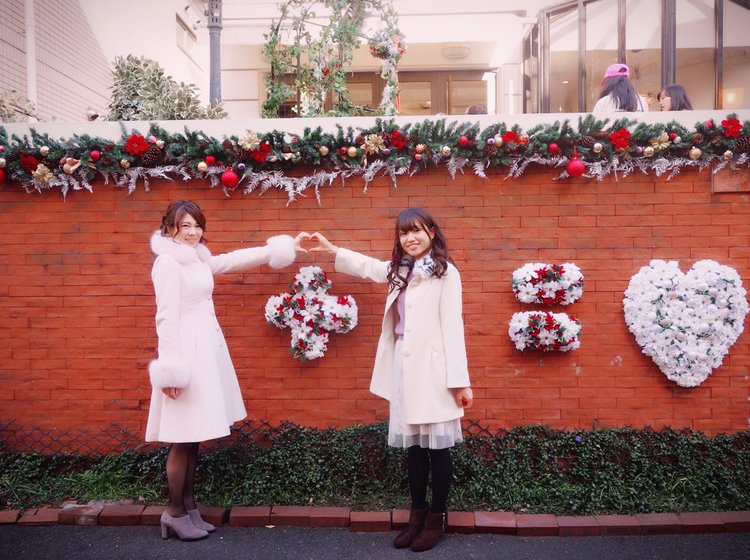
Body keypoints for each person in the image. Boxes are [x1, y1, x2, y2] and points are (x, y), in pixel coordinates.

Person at [310, 208, 473, 552]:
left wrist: (460, 381)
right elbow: (368, 267)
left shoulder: (446, 273)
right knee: (413, 447)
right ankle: (416, 516)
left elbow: (453, 327)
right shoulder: (400, 270)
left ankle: (436, 518)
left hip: (434, 370)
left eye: (415, 231)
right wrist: (331, 251)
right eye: (403, 233)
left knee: (438, 449)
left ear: (431, 231)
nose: (410, 239)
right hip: (403, 365)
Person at [146, 199, 308, 541]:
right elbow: (165, 318)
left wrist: (277, 249)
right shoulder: (167, 263)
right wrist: (171, 371)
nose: (192, 232)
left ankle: (188, 509)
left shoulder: (198, 259)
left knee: (193, 438)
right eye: (184, 225)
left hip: (204, 351)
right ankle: (173, 512)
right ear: (170, 227)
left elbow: (232, 260)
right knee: (182, 437)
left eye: (196, 225)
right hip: (186, 356)